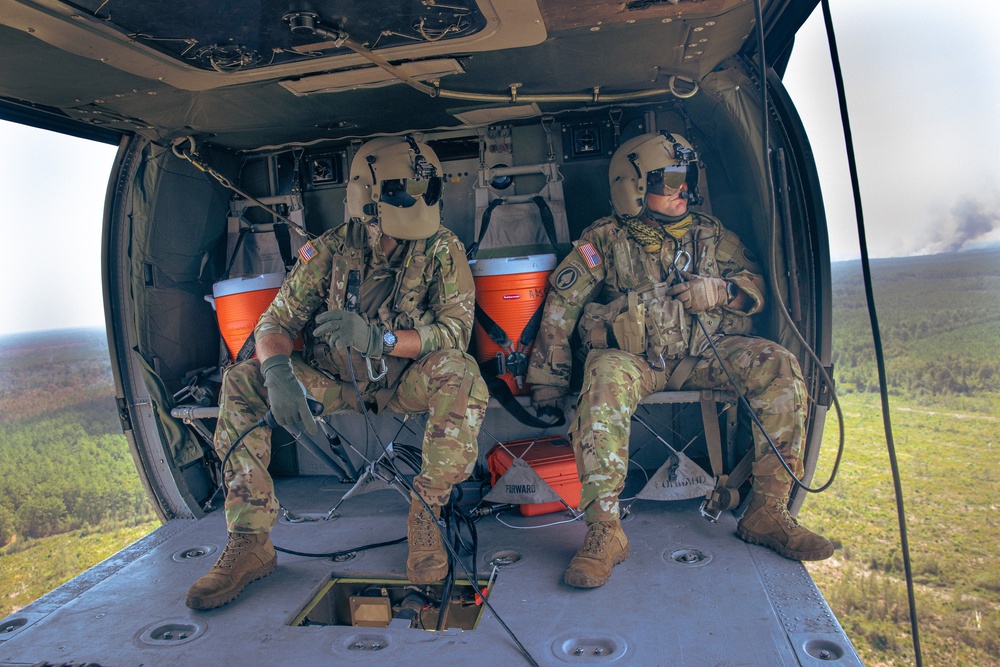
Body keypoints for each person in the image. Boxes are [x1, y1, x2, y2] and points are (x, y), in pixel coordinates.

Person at [186, 136, 488, 610]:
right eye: (400, 194)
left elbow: (454, 332)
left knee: (461, 371)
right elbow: (275, 322)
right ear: (368, 198)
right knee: (243, 378)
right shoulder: (329, 250)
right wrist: (279, 372)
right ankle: (250, 540)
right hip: (334, 383)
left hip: (401, 384)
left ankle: (427, 512)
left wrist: (381, 340)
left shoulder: (442, 248)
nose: (413, 206)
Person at [526, 132, 833, 589]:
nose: (682, 190)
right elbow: (562, 304)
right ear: (632, 187)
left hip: (708, 354)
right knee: (603, 373)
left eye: (684, 178)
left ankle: (767, 512)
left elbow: (757, 288)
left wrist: (724, 291)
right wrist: (547, 380)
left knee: (780, 363)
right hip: (638, 360)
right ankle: (605, 531)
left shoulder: (711, 233)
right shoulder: (603, 240)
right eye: (669, 180)